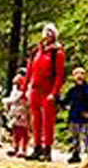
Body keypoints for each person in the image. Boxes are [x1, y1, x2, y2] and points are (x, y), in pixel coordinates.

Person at [20, 24, 68, 160]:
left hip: (48, 90)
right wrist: (24, 88)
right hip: (35, 88)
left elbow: (59, 75)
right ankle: (37, 148)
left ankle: (47, 150)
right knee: (35, 120)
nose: (48, 34)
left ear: (55, 34)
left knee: (48, 121)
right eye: (46, 31)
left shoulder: (57, 52)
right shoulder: (36, 51)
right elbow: (29, 70)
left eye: (51, 32)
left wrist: (54, 92)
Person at [62, 68, 88, 162]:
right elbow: (65, 101)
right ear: (73, 76)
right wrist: (57, 99)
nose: (79, 75)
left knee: (85, 135)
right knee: (75, 136)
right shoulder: (72, 90)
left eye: (82, 73)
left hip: (84, 118)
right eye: (76, 74)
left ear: (85, 76)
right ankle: (75, 154)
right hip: (74, 116)